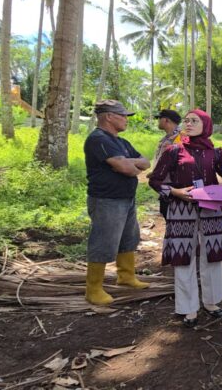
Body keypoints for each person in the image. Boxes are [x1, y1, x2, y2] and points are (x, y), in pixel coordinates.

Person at [148, 110, 222, 328]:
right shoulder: (174, 151)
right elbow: (154, 180)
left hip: (211, 210)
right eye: (187, 120)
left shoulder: (218, 153)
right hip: (180, 211)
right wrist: (175, 192)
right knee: (183, 258)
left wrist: (220, 193)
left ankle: (211, 303)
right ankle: (188, 308)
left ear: (206, 125)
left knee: (212, 257)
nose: (189, 123)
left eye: (195, 120)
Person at [83, 100, 150, 305]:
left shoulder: (121, 141)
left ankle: (126, 276)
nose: (126, 120)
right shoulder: (98, 139)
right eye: (123, 115)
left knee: (128, 238)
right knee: (103, 242)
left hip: (126, 199)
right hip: (107, 200)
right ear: (109, 116)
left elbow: (145, 162)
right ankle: (93, 289)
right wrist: (128, 165)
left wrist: (128, 164)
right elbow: (127, 169)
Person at [153, 109, 182, 220]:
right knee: (166, 213)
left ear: (165, 120)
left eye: (159, 119)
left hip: (175, 185)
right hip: (164, 183)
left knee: (174, 217)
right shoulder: (167, 138)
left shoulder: (181, 137)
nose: (158, 122)